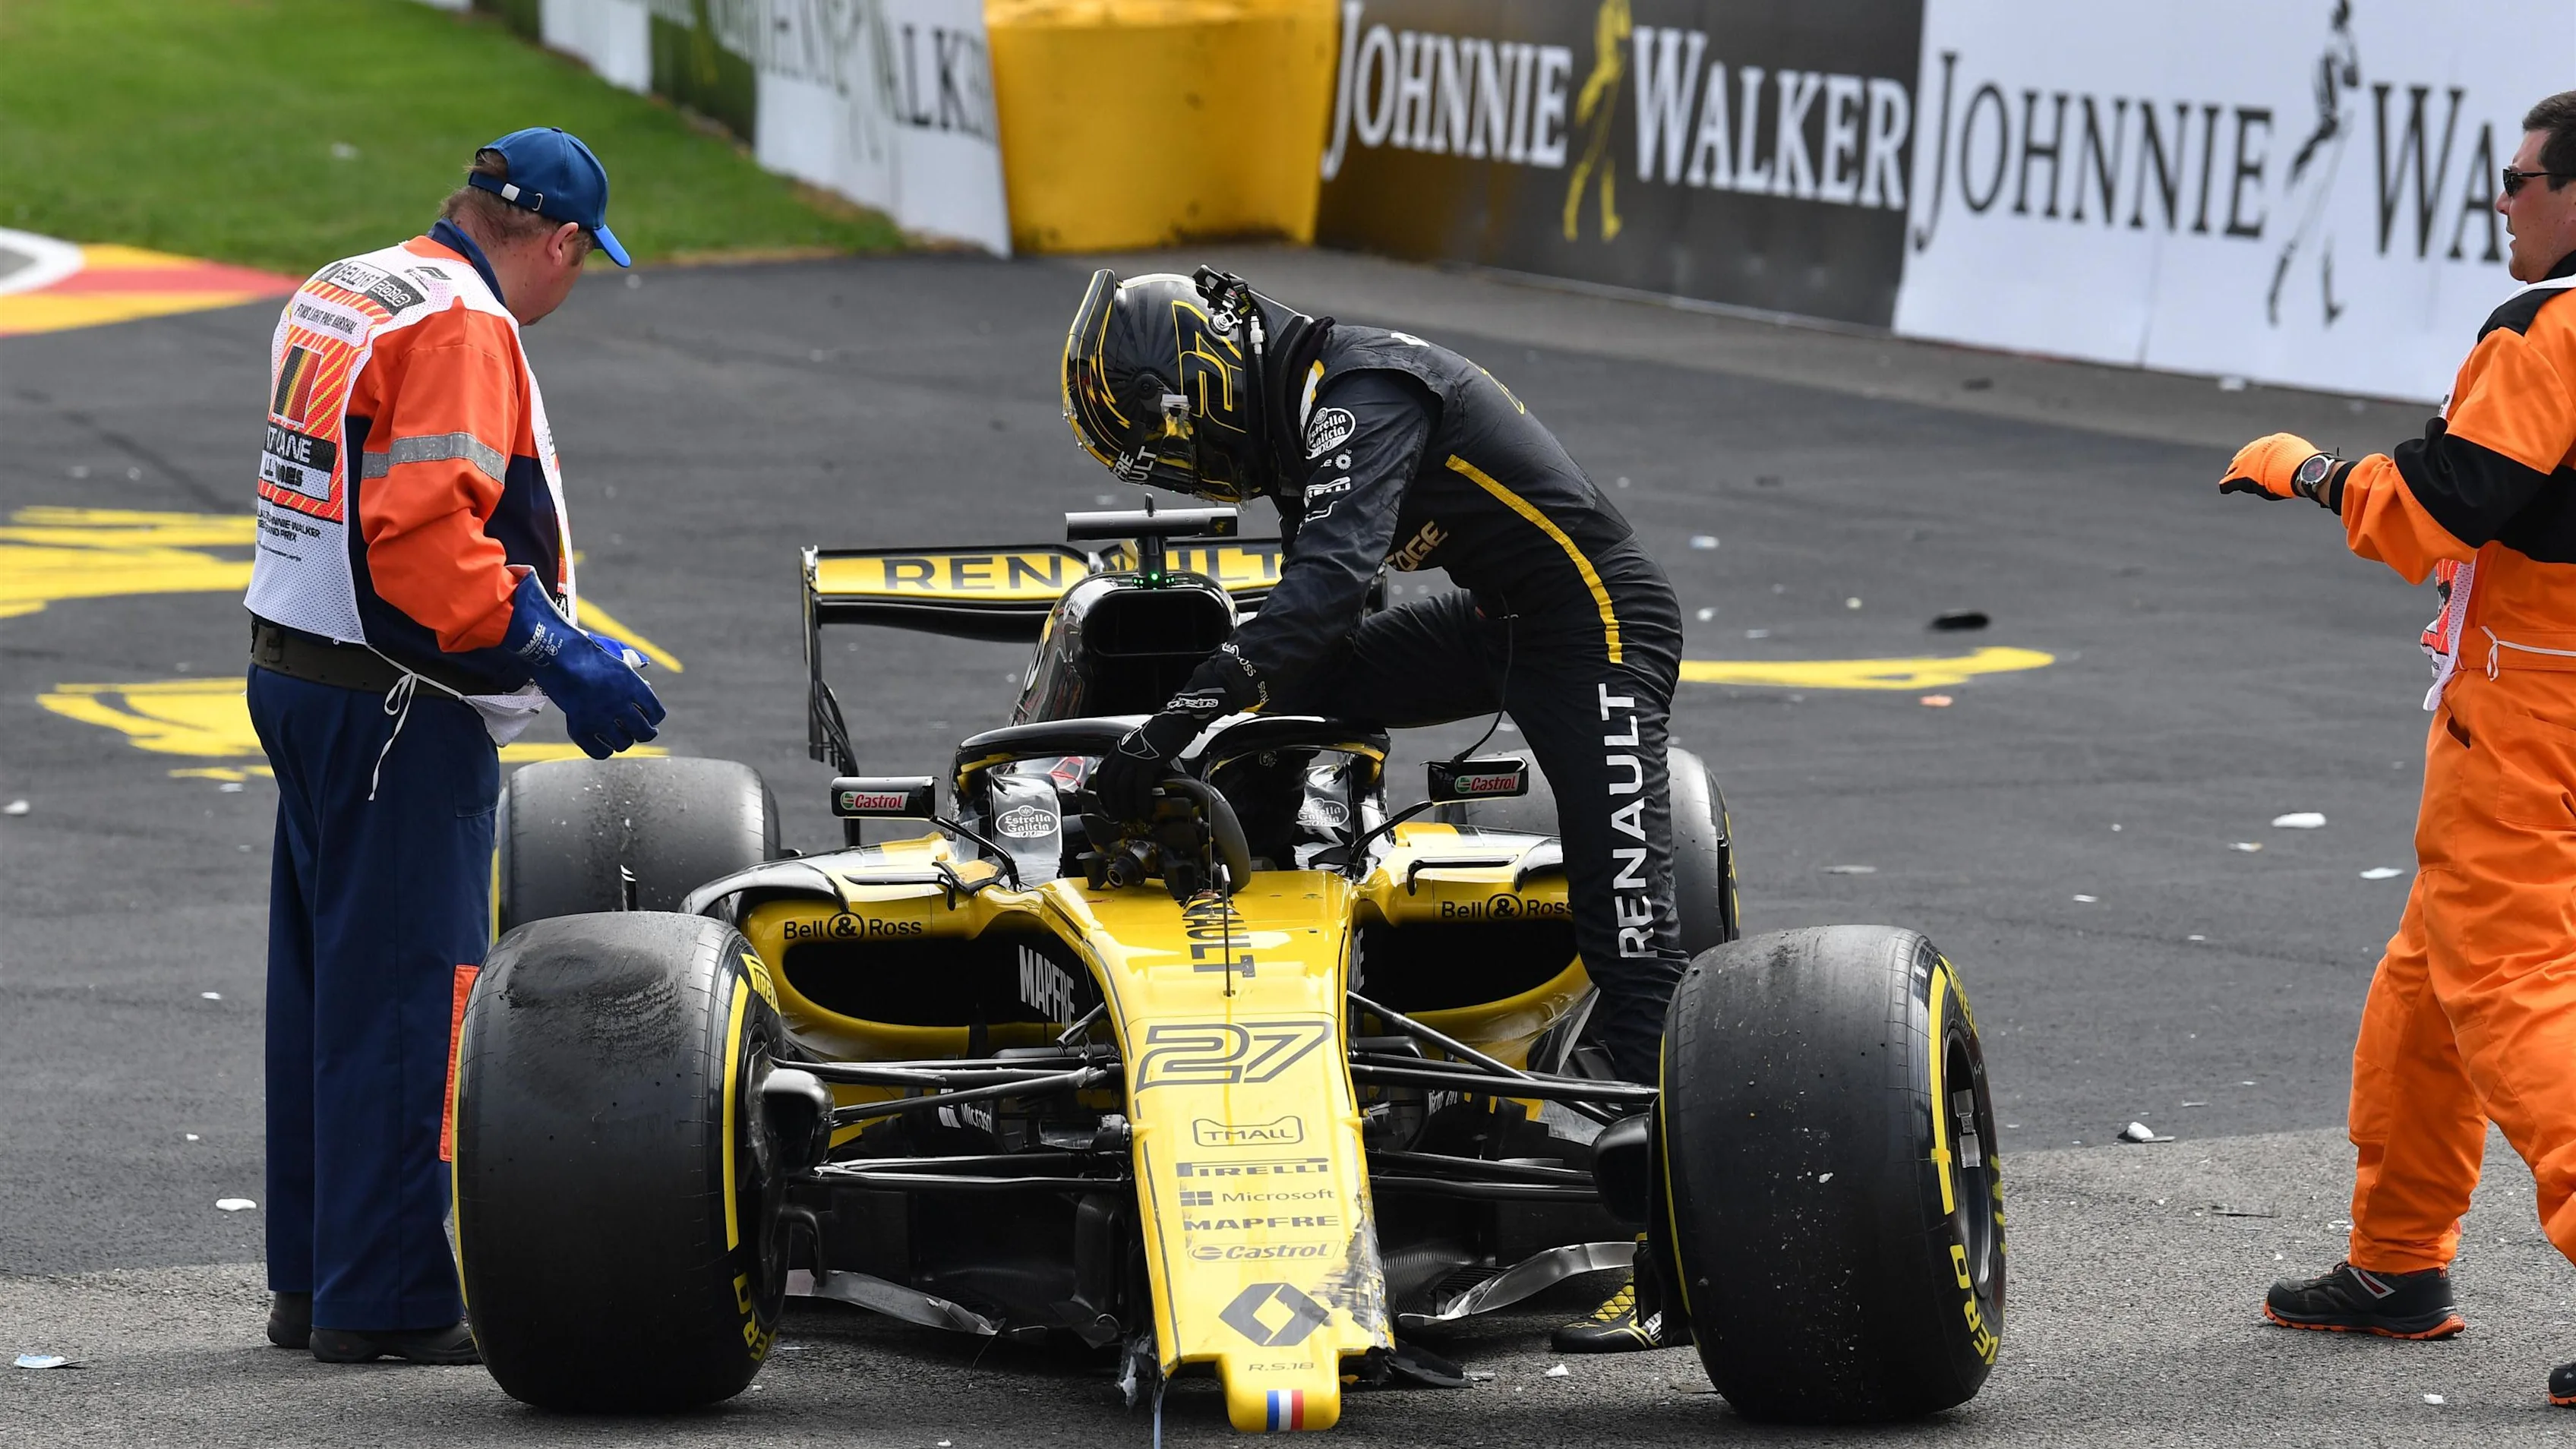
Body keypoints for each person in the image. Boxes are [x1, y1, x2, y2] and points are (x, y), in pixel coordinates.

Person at [1062, 266, 1690, 1351]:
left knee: (1627, 935)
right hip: (1499, 625)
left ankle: (1674, 1267)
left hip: (1597, 625)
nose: (1189, 463)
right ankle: (1264, 863)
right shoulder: (1308, 413)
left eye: (1175, 438)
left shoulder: (1363, 392)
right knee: (1302, 685)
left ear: (1208, 378)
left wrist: (1165, 731)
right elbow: (1319, 633)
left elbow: (1318, 598)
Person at [245, 128, 664, 1365]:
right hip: (398, 707)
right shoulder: (463, 329)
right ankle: (386, 1301)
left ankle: (315, 1280)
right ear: (561, 241)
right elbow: (426, 542)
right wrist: (554, 653)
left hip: (300, 673)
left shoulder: (353, 284)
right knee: (415, 1001)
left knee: (323, 993)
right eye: (582, 263)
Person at [2224, 91, 2576, 1408]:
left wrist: (2311, 472)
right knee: (2426, 989)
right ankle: (2395, 1261)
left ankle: (2400, 1259)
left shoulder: (2547, 326)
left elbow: (2444, 505)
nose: (2504, 198)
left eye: (2521, 178)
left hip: (2530, 707)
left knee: (2512, 992)